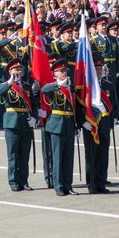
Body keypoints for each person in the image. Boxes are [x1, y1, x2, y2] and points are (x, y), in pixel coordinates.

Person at [0, 58, 37, 191]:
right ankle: (13, 182)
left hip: (25, 122)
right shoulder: (6, 85)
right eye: (15, 69)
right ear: (10, 71)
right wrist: (9, 82)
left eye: (20, 69)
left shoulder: (26, 86)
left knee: (24, 155)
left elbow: (34, 104)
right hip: (12, 122)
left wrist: (34, 118)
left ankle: (24, 181)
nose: (18, 71)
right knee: (13, 154)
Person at [79, 53, 117, 194]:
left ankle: (101, 183)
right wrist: (82, 122)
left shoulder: (107, 84)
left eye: (100, 68)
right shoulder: (86, 87)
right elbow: (79, 106)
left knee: (103, 156)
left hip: (105, 124)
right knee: (92, 156)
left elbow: (115, 104)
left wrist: (114, 118)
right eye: (96, 68)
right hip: (91, 124)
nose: (99, 71)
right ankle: (92, 184)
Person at [42, 59, 78, 197]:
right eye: (60, 71)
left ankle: (69, 186)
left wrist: (77, 125)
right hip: (56, 125)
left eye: (64, 71)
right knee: (57, 158)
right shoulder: (52, 86)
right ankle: (59, 186)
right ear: (54, 73)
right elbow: (44, 90)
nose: (63, 73)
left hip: (69, 124)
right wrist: (58, 85)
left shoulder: (70, 87)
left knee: (68, 158)